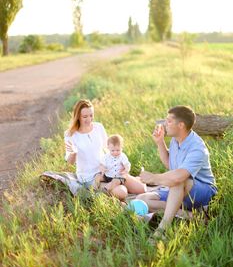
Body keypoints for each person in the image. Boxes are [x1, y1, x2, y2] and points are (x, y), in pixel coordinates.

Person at [137, 105, 217, 237]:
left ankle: (162, 230)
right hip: (181, 188)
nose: (164, 124)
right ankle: (193, 217)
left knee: (177, 181)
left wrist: (153, 178)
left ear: (181, 125)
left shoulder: (197, 148)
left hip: (203, 191)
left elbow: (179, 176)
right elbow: (170, 163)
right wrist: (160, 142)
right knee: (142, 199)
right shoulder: (176, 140)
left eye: (169, 121)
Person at [64, 99, 145, 200]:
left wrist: (119, 163)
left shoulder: (98, 127)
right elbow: (70, 162)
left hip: (108, 170)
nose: (89, 119)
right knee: (122, 192)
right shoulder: (70, 134)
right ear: (78, 117)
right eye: (85, 117)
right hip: (90, 177)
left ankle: (121, 181)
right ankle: (107, 188)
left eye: (91, 115)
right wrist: (73, 153)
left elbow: (108, 149)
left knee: (142, 189)